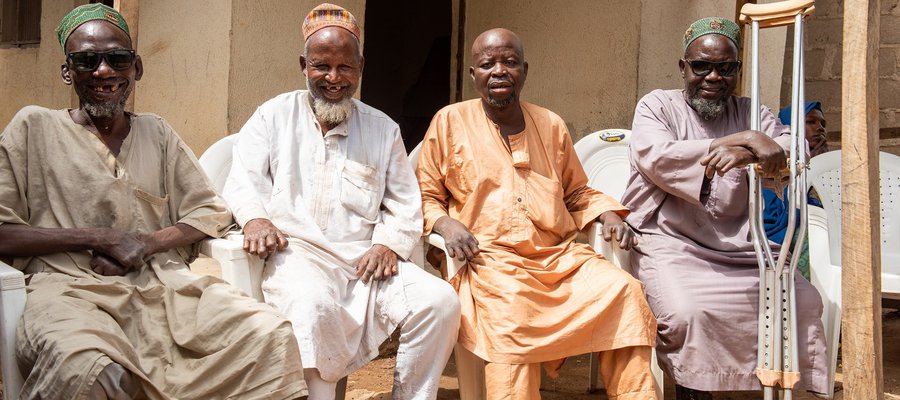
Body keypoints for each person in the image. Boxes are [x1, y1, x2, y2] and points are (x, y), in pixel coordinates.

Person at [0, 4, 306, 399]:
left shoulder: (157, 133)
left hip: (163, 290)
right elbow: (3, 233)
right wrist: (100, 237)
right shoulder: (33, 126)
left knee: (270, 336)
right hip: (67, 291)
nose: (104, 71)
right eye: (87, 60)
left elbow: (209, 211)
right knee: (90, 369)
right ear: (66, 71)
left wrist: (145, 244)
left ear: (136, 68)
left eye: (118, 58)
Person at [221, 4, 460, 399]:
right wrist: (254, 220)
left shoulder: (383, 130)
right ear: (304, 65)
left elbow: (405, 203)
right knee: (313, 305)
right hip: (297, 257)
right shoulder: (272, 116)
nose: (334, 79)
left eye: (345, 68)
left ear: (361, 66)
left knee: (440, 301)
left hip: (366, 263)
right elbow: (242, 181)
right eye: (321, 67)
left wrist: (388, 244)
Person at [416, 28, 658, 400]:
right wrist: (446, 223)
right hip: (490, 261)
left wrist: (607, 214)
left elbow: (577, 191)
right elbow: (425, 194)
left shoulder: (551, 124)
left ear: (524, 70)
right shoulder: (449, 122)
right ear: (473, 74)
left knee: (624, 292)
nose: (499, 71)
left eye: (510, 63)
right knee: (514, 316)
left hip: (559, 258)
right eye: (488, 64)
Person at [620, 17, 829, 399]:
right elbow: (659, 156)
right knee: (688, 312)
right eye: (701, 66)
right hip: (670, 242)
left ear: (737, 70)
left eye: (725, 68)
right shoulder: (657, 105)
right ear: (683, 68)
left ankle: (770, 387)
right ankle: (693, 389)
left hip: (741, 248)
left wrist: (763, 146)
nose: (713, 77)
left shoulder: (753, 111)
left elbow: (792, 149)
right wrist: (748, 140)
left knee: (802, 300)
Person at [763, 101, 828, 280]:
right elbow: (772, 215)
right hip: (777, 230)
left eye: (822, 124)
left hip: (800, 223)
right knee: (812, 234)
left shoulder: (825, 164)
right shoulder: (775, 161)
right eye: (811, 122)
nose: (820, 128)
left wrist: (815, 163)